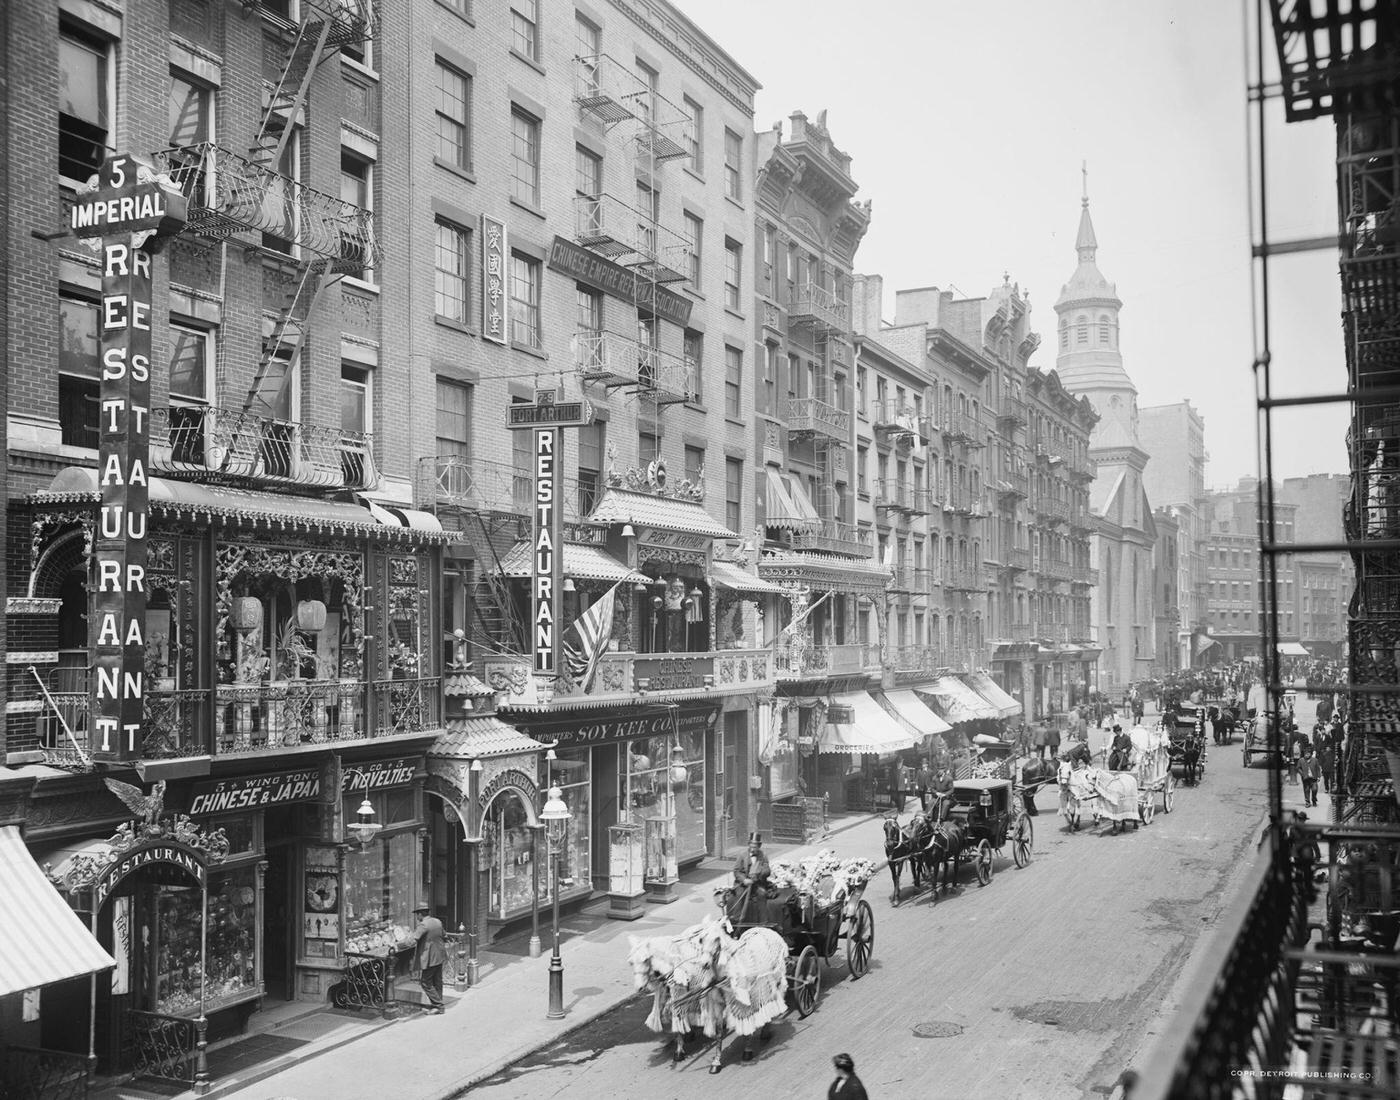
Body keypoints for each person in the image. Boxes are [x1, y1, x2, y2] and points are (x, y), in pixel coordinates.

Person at [411, 903, 447, 1014]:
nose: (417, 917)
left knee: (425, 982)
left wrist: (397, 945)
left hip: (430, 957)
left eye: (417, 915)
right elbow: (444, 935)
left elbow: (413, 940)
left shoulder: (423, 925)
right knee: (437, 980)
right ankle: (437, 1004)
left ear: (421, 914)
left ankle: (438, 1005)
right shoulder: (437, 921)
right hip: (440, 954)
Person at [732, 833, 773, 923]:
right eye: (751, 846)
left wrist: (759, 874)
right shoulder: (742, 855)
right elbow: (736, 871)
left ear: (759, 846)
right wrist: (744, 880)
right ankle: (736, 920)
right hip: (743, 884)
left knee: (762, 894)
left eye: (755, 847)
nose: (753, 849)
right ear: (749, 845)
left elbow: (767, 870)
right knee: (739, 894)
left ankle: (763, 921)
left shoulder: (763, 856)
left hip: (756, 883)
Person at [1298, 741, 1321, 808]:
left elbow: (1318, 769)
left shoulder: (1315, 760)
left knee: (1314, 789)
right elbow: (1298, 768)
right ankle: (1307, 802)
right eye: (1306, 754)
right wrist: (1302, 774)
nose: (1307, 755)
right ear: (1304, 754)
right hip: (1305, 778)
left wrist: (1319, 776)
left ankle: (1314, 800)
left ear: (1310, 754)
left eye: (1308, 754)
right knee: (1306, 790)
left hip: (1313, 778)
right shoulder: (1301, 760)